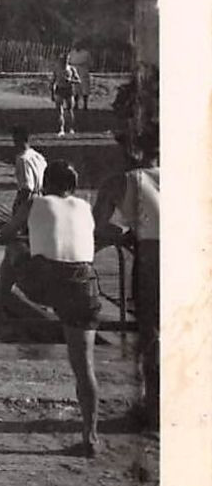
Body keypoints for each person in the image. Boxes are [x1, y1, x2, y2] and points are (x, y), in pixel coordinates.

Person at [0, 160, 103, 456]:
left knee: (14, 250)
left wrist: (28, 234)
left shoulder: (34, 201)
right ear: (73, 186)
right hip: (86, 283)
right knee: (84, 367)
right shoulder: (84, 206)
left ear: (45, 183)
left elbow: (5, 234)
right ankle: (91, 435)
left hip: (47, 283)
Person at [92, 126, 159, 428]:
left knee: (152, 332)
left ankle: (155, 408)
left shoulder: (122, 181)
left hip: (152, 258)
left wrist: (124, 234)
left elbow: (98, 224)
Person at [0, 126, 48, 311]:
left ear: (18, 140)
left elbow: (26, 188)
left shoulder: (22, 160)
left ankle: (1, 298)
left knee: (18, 243)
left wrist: (18, 210)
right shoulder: (38, 156)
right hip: (44, 199)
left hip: (29, 201)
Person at [52, 54, 79, 136]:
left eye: (66, 59)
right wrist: (52, 93)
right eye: (63, 60)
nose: (64, 61)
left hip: (68, 90)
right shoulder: (57, 69)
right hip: (59, 89)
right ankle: (61, 129)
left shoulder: (71, 69)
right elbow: (53, 81)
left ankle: (71, 128)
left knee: (69, 110)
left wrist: (70, 80)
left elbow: (78, 80)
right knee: (60, 111)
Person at [67, 43, 93, 111]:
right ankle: (76, 104)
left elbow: (90, 63)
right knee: (75, 88)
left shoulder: (86, 53)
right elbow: (68, 62)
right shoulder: (72, 53)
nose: (77, 46)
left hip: (83, 71)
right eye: (76, 45)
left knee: (85, 88)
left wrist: (85, 68)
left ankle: (85, 105)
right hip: (74, 70)